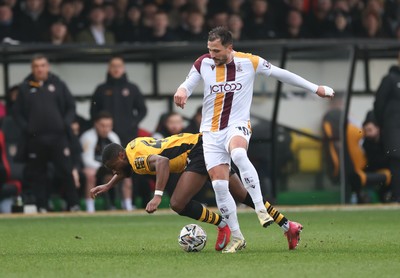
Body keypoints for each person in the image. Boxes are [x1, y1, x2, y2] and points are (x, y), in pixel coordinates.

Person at [173, 26, 334, 253]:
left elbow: (282, 74)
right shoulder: (203, 63)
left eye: (216, 50)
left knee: (239, 153)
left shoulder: (249, 62)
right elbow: (188, 83)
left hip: (236, 125)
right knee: (220, 186)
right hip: (210, 133)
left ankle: (260, 208)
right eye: (209, 50)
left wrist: (314, 88)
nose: (212, 55)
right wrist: (181, 91)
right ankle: (238, 237)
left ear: (230, 48)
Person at [90, 133, 303, 251]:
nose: (113, 172)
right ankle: (288, 225)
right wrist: (108, 185)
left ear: (120, 156)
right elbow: (124, 169)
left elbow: (163, 162)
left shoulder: (135, 160)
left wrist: (157, 196)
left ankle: (223, 225)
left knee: (177, 203)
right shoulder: (132, 146)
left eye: (112, 168)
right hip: (206, 144)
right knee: (242, 195)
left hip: (198, 151)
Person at [12, 54, 80, 212]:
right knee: (38, 174)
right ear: (32, 68)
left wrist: (65, 124)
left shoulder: (59, 84)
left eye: (42, 65)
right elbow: (16, 112)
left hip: (58, 137)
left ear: (47, 66)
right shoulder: (25, 87)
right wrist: (27, 128)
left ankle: (74, 204)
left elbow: (71, 106)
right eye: (36, 66)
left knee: (65, 170)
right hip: (35, 138)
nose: (39, 69)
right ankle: (42, 205)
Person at [80, 111, 133, 212]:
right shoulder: (87, 137)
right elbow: (86, 160)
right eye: (102, 126)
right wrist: (105, 167)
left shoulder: (113, 137)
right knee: (89, 174)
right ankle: (90, 208)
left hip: (111, 168)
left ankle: (128, 205)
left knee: (127, 174)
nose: (105, 129)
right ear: (96, 124)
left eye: (109, 126)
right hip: (95, 168)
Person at [90, 56, 147, 147]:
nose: (116, 69)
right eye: (113, 66)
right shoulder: (101, 89)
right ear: (109, 68)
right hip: (107, 134)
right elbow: (93, 108)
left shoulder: (132, 88)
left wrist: (132, 123)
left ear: (123, 68)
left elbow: (142, 110)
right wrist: (100, 125)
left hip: (128, 134)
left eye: (119, 66)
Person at [374, 54, 400, 203]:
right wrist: (381, 124)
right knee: (396, 161)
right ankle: (397, 196)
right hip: (392, 129)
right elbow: (379, 103)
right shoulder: (390, 79)